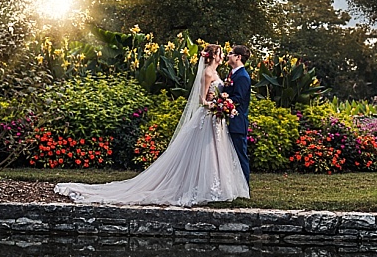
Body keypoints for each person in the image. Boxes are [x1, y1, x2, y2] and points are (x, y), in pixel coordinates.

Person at [54, 43, 250, 207]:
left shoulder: (221, 73)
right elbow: (201, 99)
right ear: (214, 56)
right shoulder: (208, 72)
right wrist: (215, 105)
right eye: (222, 53)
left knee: (215, 153)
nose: (225, 55)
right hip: (208, 116)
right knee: (204, 153)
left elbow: (226, 94)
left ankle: (217, 186)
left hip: (216, 119)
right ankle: (204, 187)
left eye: (228, 53)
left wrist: (221, 104)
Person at [225, 45, 251, 187]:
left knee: (240, 155)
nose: (228, 56)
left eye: (230, 53)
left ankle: (244, 186)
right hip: (229, 119)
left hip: (237, 122)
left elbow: (238, 99)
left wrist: (222, 102)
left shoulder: (242, 76)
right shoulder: (233, 74)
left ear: (238, 57)